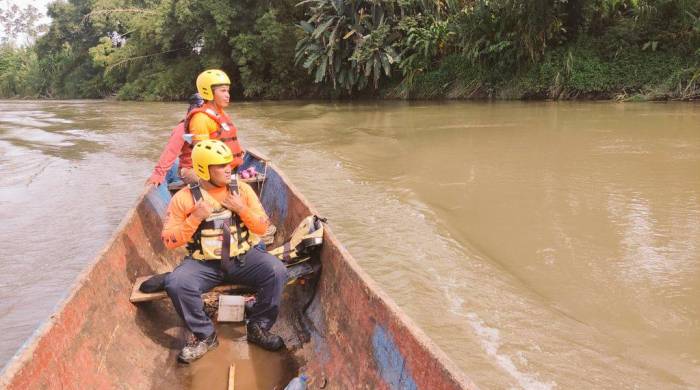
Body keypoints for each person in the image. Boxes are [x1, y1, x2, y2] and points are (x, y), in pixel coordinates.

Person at [161, 139, 287, 363]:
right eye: (220, 165)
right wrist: (195, 217)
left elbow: (262, 227)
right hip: (204, 264)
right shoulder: (184, 199)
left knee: (276, 271)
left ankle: (258, 326)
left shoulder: (243, 190)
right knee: (177, 283)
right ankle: (205, 336)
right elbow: (169, 240)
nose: (228, 169)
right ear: (203, 169)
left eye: (228, 163)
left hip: (244, 258)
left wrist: (241, 208)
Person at [146, 69, 244, 187]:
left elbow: (227, 139)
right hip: (195, 169)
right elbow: (171, 151)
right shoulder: (188, 124)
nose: (227, 95)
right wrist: (158, 174)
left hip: (221, 167)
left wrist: (238, 152)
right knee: (213, 182)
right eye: (223, 91)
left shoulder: (220, 116)